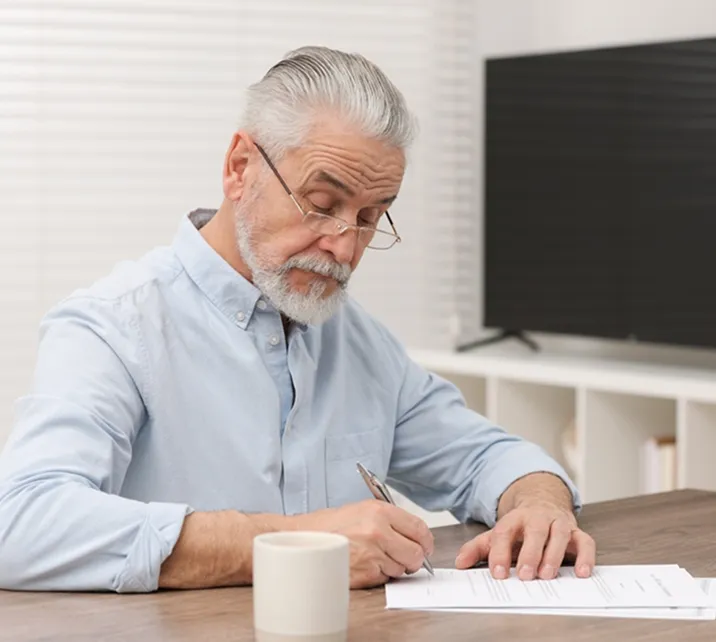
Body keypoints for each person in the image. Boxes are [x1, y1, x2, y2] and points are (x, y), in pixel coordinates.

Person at [0, 46, 595, 593]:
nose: (344, 246)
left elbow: (483, 457)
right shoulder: (113, 327)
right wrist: (297, 544)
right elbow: (20, 524)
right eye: (322, 203)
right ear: (239, 167)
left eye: (369, 217)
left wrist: (540, 504)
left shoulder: (356, 339)